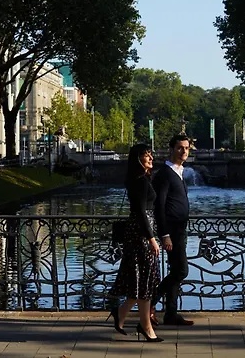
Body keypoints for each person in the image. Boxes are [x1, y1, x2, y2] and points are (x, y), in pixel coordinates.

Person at [108, 144, 163, 342]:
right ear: (137, 160)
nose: (151, 158)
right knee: (145, 278)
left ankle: (121, 314)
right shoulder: (140, 181)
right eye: (146, 156)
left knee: (141, 277)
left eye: (150, 155)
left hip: (139, 233)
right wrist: (152, 239)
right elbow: (141, 213)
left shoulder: (140, 179)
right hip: (140, 235)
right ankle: (146, 327)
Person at [151, 134, 194, 326]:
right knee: (181, 271)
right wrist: (165, 234)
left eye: (186, 148)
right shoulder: (165, 174)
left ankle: (171, 313)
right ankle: (150, 302)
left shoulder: (178, 172)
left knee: (177, 270)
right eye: (180, 147)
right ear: (171, 149)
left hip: (179, 229)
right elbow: (159, 206)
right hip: (172, 231)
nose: (184, 151)